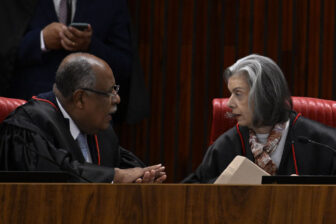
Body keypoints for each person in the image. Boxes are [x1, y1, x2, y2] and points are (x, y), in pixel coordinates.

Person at [0, 53, 166, 183]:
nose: (117, 99)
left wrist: (144, 178)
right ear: (80, 98)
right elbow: (54, 176)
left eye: (116, 89)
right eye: (109, 92)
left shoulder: (101, 130)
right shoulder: (28, 126)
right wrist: (116, 177)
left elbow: (129, 171)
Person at [183, 54, 336, 183]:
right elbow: (192, 194)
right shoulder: (225, 145)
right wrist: (159, 189)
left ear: (265, 95)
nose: (229, 103)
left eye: (238, 94)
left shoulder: (326, 144)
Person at [9, 0, 138, 122]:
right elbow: (5, 51)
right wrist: (41, 40)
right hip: (30, 116)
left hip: (90, 122)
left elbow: (124, 66)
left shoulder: (111, 3)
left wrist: (90, 45)